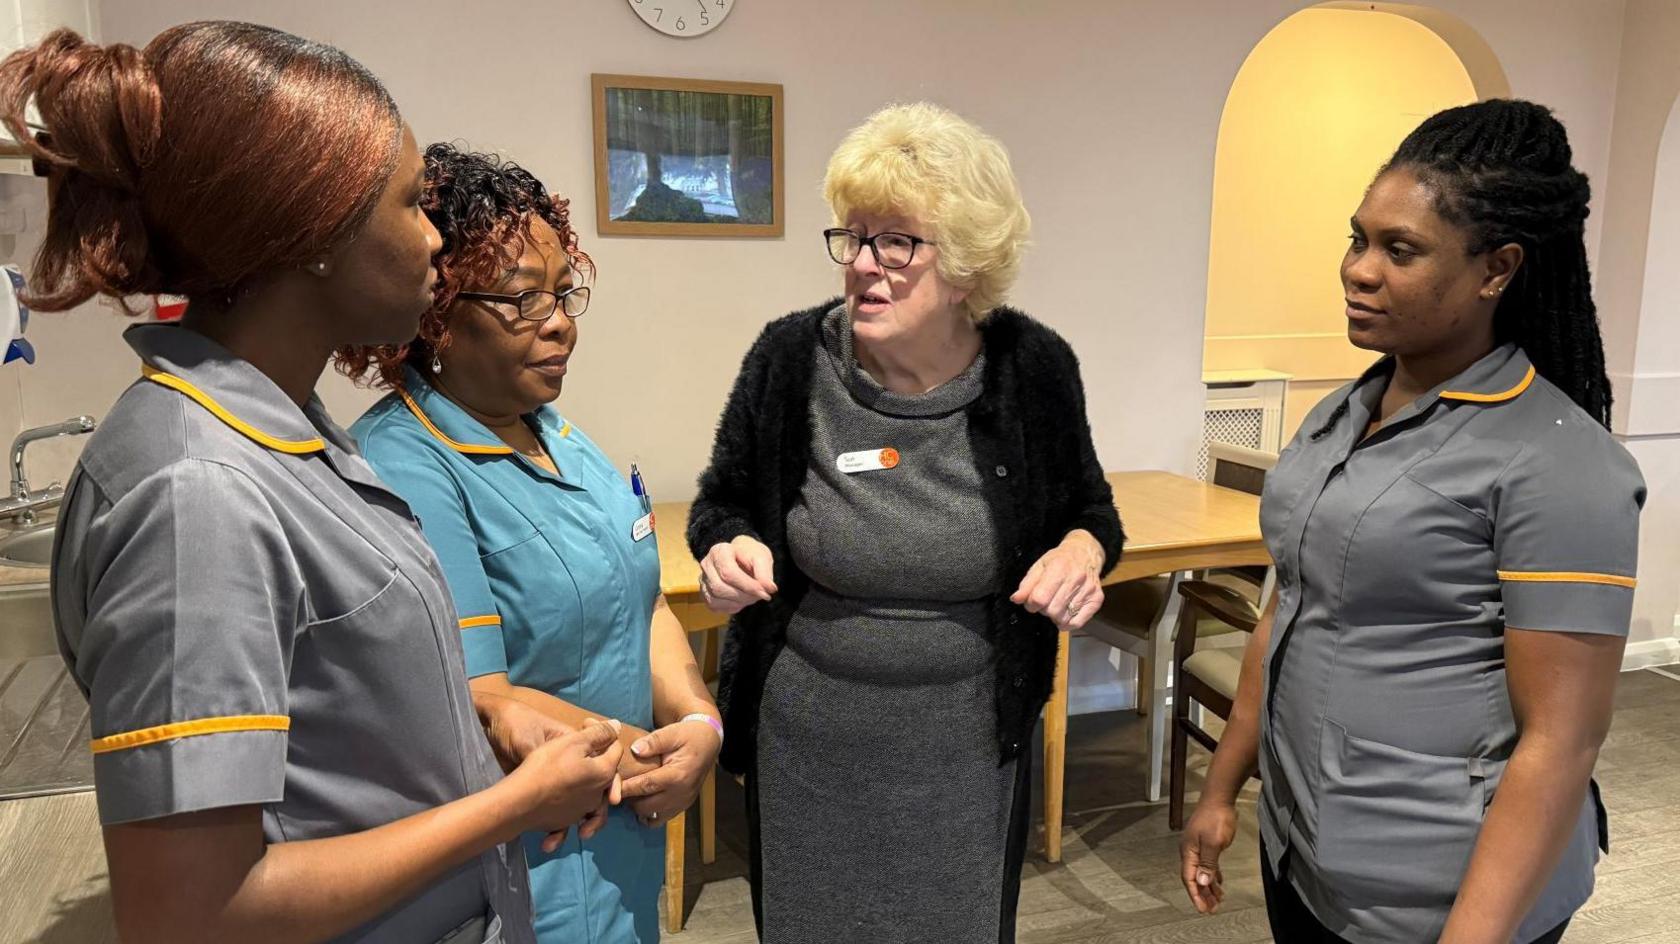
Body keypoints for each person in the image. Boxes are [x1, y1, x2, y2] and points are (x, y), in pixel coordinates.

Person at [10, 24, 621, 944]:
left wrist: (482, 731)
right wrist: (513, 806)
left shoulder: (282, 434)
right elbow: (192, 912)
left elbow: (331, 734)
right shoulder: (198, 492)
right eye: (414, 207)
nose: (433, 244)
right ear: (316, 232)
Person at [1178, 99, 1645, 944]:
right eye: (1358, 239)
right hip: (1303, 853)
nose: (1360, 270)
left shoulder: (1558, 463)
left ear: (1495, 270)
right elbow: (1285, 612)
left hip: (1438, 896)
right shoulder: (1337, 417)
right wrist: (1222, 792)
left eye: (1401, 250)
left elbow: (1561, 742)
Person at [687, 102, 1124, 943]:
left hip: (965, 741)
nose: (863, 265)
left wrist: (1080, 550)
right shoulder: (788, 361)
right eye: (852, 237)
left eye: (898, 242)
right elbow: (722, 501)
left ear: (963, 263)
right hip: (809, 737)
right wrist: (725, 545)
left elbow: (1090, 512)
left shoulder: (1033, 370)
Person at [337, 144, 719, 944]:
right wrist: (654, 758)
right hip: (529, 875)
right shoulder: (405, 465)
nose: (558, 324)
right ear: (434, 310)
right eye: (519, 300)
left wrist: (698, 720)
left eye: (562, 293)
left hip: (620, 839)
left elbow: (635, 599)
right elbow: (482, 699)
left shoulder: (558, 434)